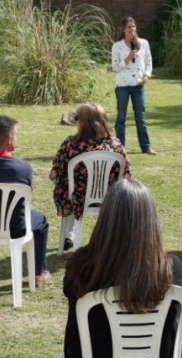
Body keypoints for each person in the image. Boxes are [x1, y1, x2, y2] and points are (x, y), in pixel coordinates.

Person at [63, 178, 182, 358]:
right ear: (150, 219)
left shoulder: (80, 265)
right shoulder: (170, 268)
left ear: (106, 217)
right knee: (170, 344)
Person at [0, 115, 52, 286]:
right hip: (17, 227)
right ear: (10, 139)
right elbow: (29, 193)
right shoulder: (23, 168)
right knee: (41, 221)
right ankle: (38, 272)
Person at [49, 102, 131, 250]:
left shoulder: (70, 145)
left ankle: (70, 234)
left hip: (75, 198)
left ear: (81, 122)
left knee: (69, 188)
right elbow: (126, 174)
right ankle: (104, 237)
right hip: (108, 198)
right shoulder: (116, 145)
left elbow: (56, 173)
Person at [112, 16, 156, 154]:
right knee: (121, 118)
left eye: (133, 27)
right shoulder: (117, 46)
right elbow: (115, 68)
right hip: (122, 86)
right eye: (129, 27)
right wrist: (127, 58)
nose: (132, 29)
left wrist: (146, 76)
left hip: (138, 85)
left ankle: (146, 146)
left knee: (140, 117)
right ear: (124, 30)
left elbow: (148, 62)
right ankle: (120, 147)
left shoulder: (143, 43)